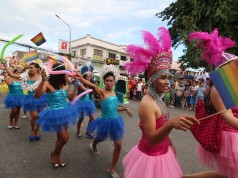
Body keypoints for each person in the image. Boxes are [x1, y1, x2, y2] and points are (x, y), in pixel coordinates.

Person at [123, 27, 220, 178]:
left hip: (164, 153)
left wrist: (170, 145)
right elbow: (151, 138)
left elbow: (161, 128)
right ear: (152, 79)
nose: (168, 82)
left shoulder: (158, 98)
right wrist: (171, 124)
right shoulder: (147, 103)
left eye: (168, 77)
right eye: (163, 77)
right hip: (151, 159)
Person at [189, 29, 238, 178]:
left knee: (224, 175)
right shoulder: (218, 89)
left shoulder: (234, 86)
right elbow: (227, 116)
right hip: (231, 136)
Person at [74, 64, 132, 178]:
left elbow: (115, 108)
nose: (109, 82)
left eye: (111, 81)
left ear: (114, 81)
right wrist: (81, 78)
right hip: (105, 121)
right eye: (107, 81)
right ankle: (93, 145)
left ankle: (112, 169)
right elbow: (91, 85)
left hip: (115, 121)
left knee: (118, 145)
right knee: (99, 138)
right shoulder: (101, 92)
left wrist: (125, 108)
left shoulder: (114, 93)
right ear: (104, 82)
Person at [34, 63, 78, 168]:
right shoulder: (48, 83)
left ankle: (56, 156)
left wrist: (75, 87)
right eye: (64, 73)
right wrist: (43, 80)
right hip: (54, 113)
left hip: (65, 112)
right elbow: (36, 96)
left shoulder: (65, 84)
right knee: (64, 137)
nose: (66, 75)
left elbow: (70, 98)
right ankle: (55, 155)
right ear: (58, 73)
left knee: (60, 138)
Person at [4, 62, 48, 141]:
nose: (30, 69)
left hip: (41, 98)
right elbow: (11, 74)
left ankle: (37, 130)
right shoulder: (26, 76)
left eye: (32, 67)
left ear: (37, 68)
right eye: (29, 67)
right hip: (30, 98)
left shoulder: (42, 77)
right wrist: (5, 65)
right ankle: (32, 129)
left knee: (40, 116)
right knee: (34, 116)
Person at [75, 62, 96, 138]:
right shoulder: (80, 83)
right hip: (81, 102)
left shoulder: (92, 83)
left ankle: (88, 131)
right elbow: (84, 91)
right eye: (87, 76)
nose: (88, 77)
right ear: (84, 76)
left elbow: (94, 91)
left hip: (89, 102)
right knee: (81, 118)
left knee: (92, 117)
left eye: (90, 76)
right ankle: (78, 132)